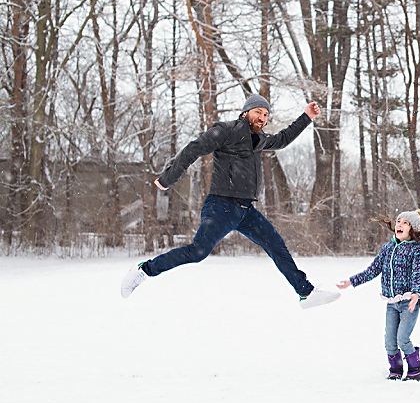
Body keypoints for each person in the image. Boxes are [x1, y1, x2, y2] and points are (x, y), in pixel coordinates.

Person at [120, 94, 340, 309]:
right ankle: (144, 270)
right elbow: (194, 148)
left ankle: (306, 292)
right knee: (197, 252)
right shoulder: (226, 131)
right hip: (221, 205)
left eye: (265, 114)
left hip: (245, 211)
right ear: (245, 113)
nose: (262, 118)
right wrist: (169, 178)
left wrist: (306, 116)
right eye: (258, 112)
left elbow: (282, 139)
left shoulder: (259, 140)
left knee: (276, 246)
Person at [336, 209, 420, 381]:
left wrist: (417, 294)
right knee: (390, 342)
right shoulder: (387, 248)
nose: (400, 225)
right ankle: (395, 370)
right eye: (399, 221)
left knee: (403, 338)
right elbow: (372, 270)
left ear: (412, 229)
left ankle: (415, 370)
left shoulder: (417, 251)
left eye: (405, 223)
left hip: (409, 302)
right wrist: (352, 281)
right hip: (391, 303)